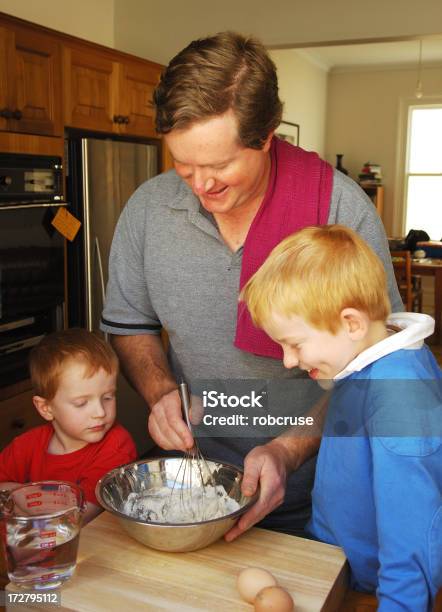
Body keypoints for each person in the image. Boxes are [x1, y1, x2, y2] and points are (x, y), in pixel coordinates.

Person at [101, 31, 403, 541]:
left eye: (219, 165)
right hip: (194, 484)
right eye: (184, 164)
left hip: (323, 493)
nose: (200, 185)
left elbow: (376, 364)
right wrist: (158, 394)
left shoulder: (340, 211)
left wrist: (288, 449)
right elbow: (131, 325)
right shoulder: (149, 210)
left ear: (266, 136)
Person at [240, 224, 442, 611]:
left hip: (373, 591)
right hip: (335, 566)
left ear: (351, 323)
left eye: (294, 344)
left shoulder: (400, 399)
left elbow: (413, 541)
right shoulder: (358, 363)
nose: (288, 361)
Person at [0, 329, 137, 524]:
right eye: (81, 403)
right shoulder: (26, 445)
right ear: (46, 408)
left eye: (108, 397)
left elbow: (79, 516)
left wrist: (26, 497)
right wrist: (21, 494)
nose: (100, 412)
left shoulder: (117, 446)